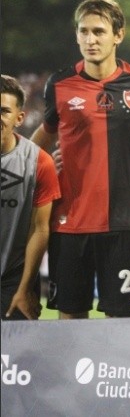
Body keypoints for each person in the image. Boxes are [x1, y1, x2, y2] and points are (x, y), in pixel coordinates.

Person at [30, 0, 130, 319]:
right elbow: (38, 142)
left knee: (122, 323)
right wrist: (44, 167)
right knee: (70, 320)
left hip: (124, 224)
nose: (90, 39)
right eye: (83, 31)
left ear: (119, 34)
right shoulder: (60, 84)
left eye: (99, 31)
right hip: (70, 224)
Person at [1, 75, 61, 320]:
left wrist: (25, 288)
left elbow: (40, 229)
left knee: (16, 358)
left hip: (13, 281)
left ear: (19, 117)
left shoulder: (38, 162)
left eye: (4, 111)